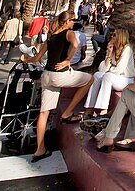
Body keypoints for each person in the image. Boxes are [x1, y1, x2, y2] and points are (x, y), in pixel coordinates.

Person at [23, 10, 95, 163]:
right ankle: (67, 113)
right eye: (72, 20)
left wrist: (25, 59)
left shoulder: (51, 35)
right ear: (67, 21)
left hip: (47, 76)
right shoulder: (69, 33)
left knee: (44, 113)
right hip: (59, 74)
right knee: (89, 80)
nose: (73, 23)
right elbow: (75, 45)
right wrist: (68, 60)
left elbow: (37, 58)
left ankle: (39, 149)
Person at [85, 25, 135, 116]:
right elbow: (102, 68)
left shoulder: (127, 49)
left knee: (107, 76)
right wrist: (109, 53)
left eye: (115, 35)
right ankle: (90, 107)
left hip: (126, 79)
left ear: (120, 37)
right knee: (97, 75)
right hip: (114, 77)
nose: (112, 37)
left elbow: (120, 69)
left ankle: (103, 110)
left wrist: (108, 71)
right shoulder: (113, 48)